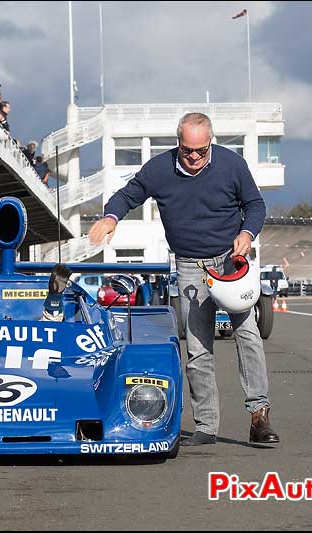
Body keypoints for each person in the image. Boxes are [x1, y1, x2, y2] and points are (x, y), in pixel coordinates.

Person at [88, 112, 280, 446]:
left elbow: (256, 205)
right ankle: (207, 426)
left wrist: (248, 233)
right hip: (190, 264)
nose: (193, 158)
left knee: (247, 334)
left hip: (229, 260)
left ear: (211, 142)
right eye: (187, 150)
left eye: (201, 151)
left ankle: (258, 415)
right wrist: (110, 216)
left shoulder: (232, 165)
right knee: (197, 347)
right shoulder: (159, 168)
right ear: (178, 142)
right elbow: (128, 194)